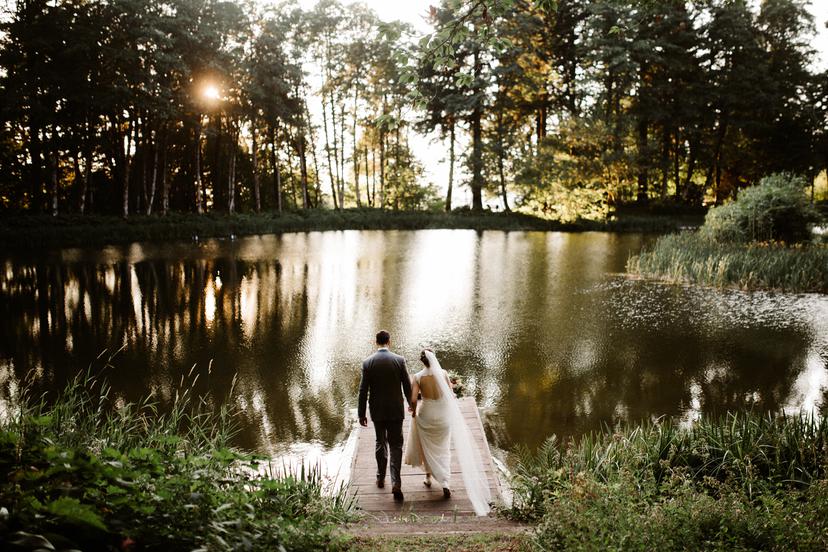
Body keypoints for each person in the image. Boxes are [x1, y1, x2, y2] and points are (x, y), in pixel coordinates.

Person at [403, 349, 492, 516]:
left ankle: (429, 477)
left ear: (422, 361)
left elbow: (414, 399)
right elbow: (450, 394)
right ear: (434, 359)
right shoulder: (443, 373)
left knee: (427, 447)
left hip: (427, 415)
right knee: (443, 448)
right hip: (443, 416)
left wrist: (414, 412)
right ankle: (445, 483)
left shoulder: (418, 376)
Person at [357, 330, 413, 502]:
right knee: (396, 445)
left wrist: (361, 413)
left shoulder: (368, 363)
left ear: (376, 342)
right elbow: (407, 385)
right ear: (389, 341)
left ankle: (381, 477)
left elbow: (363, 390)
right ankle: (396, 482)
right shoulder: (399, 360)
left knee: (380, 442)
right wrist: (412, 405)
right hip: (396, 409)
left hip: (377, 410)